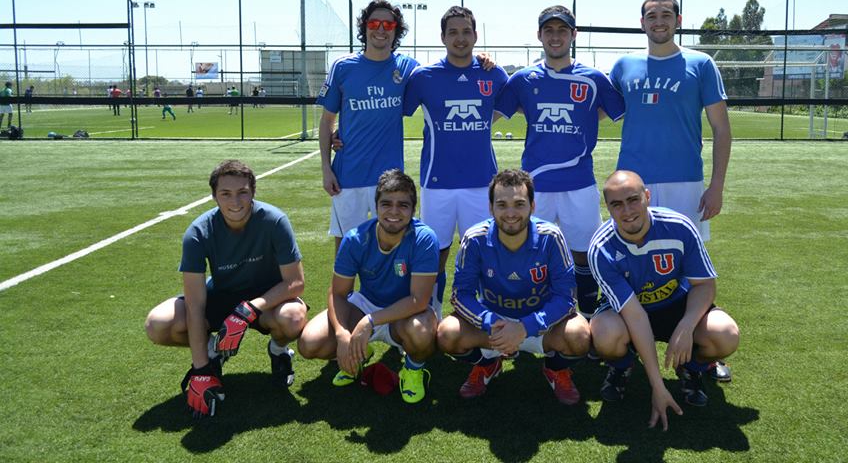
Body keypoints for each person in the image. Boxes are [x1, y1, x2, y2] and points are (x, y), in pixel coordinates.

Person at [609, 0, 733, 381]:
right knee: (629, 259)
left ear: (678, 20)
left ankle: (699, 349)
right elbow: (592, 107)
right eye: (651, 15)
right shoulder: (623, 66)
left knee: (690, 266)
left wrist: (716, 186)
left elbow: (721, 128)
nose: (658, 20)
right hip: (632, 185)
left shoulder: (701, 64)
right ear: (641, 23)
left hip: (685, 182)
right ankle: (626, 345)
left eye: (666, 14)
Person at [144, 160, 308, 418]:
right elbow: (195, 304)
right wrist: (200, 369)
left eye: (242, 192)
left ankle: (278, 351)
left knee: (293, 318)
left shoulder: (274, 220)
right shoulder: (198, 232)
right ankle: (212, 352)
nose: (235, 202)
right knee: (158, 324)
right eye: (226, 194)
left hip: (265, 300)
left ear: (253, 192)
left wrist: (249, 309)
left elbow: (295, 282)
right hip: (221, 296)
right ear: (214, 196)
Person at [495, 5, 624, 317]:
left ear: (573, 35)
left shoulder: (594, 79)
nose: (556, 36)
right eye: (549, 30)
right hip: (534, 185)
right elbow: (492, 113)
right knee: (528, 251)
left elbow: (620, 113)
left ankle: (589, 316)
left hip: (579, 182)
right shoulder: (522, 79)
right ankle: (529, 316)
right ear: (539, 35)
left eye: (562, 30)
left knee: (585, 253)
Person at [588, 171, 739, 427]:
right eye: (617, 204)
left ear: (647, 196)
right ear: (608, 208)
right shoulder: (601, 248)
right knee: (604, 334)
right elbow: (636, 316)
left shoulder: (679, 227)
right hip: (629, 315)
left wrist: (687, 325)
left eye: (633, 199)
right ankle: (622, 366)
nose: (627, 211)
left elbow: (704, 285)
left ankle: (690, 368)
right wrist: (657, 387)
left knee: (725, 334)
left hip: (676, 305)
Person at [437, 169, 589, 405]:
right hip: (494, 327)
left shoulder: (551, 236)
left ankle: (555, 369)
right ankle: (488, 364)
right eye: (502, 205)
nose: (510, 213)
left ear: (532, 206)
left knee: (580, 336)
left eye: (519, 204)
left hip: (541, 324)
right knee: (447, 334)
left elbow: (566, 298)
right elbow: (461, 295)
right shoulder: (475, 238)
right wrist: (491, 322)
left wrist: (525, 327)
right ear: (491, 208)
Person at [298, 169, 439, 404]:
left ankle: (413, 369)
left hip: (406, 312)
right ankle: (359, 354)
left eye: (403, 205)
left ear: (413, 210)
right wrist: (343, 334)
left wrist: (369, 322)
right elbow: (338, 293)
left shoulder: (424, 238)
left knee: (421, 332)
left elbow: (418, 300)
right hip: (366, 304)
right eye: (386, 204)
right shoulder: (355, 239)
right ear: (376, 206)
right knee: (310, 343)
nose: (394, 212)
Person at [402, 5, 509, 308]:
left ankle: (484, 316)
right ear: (443, 37)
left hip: (482, 182)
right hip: (438, 182)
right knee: (435, 252)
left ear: (475, 36)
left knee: (483, 252)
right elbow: (395, 112)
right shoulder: (424, 76)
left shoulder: (494, 74)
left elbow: (505, 108)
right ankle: (430, 314)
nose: (460, 38)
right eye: (453, 32)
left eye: (466, 32)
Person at [316, 0, 419, 255]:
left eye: (388, 24)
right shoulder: (343, 67)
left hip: (390, 179)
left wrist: (482, 60)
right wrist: (326, 169)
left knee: (393, 245)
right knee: (346, 248)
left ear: (396, 30)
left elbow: (442, 74)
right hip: (348, 175)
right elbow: (327, 121)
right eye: (374, 23)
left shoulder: (407, 67)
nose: (381, 29)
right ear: (365, 27)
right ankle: (343, 285)